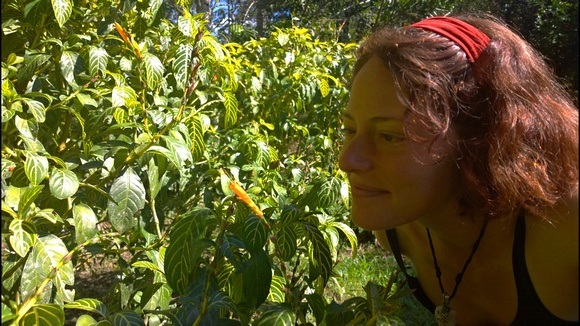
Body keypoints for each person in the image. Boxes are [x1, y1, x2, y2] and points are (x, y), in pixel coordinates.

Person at [338, 14, 578, 325]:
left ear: (480, 138)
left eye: (390, 136)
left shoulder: (564, 225)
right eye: (349, 129)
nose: (348, 160)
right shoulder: (395, 227)